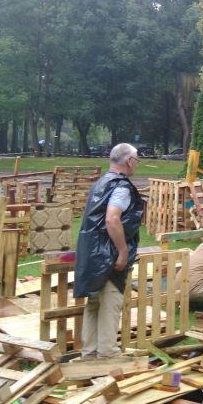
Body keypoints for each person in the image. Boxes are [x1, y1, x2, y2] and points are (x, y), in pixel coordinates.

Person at [74, 143, 143, 358]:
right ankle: (107, 354)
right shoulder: (121, 187)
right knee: (110, 302)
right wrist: (122, 251)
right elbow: (112, 219)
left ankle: (89, 353)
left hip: (91, 253)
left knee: (94, 303)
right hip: (108, 256)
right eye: (136, 160)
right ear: (129, 161)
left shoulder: (100, 183)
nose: (136, 164)